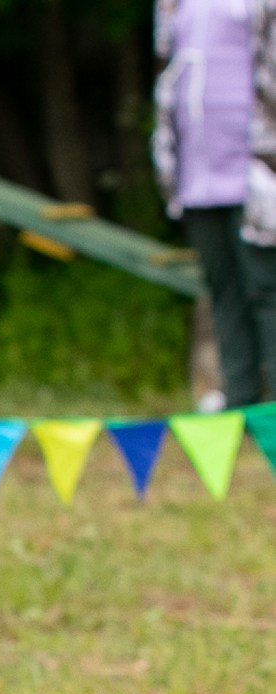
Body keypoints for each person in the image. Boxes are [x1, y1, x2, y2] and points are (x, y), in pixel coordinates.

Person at [154, 0, 276, 410]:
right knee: (223, 291)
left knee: (267, 289)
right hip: (197, 174)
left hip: (259, 171)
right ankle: (241, 403)